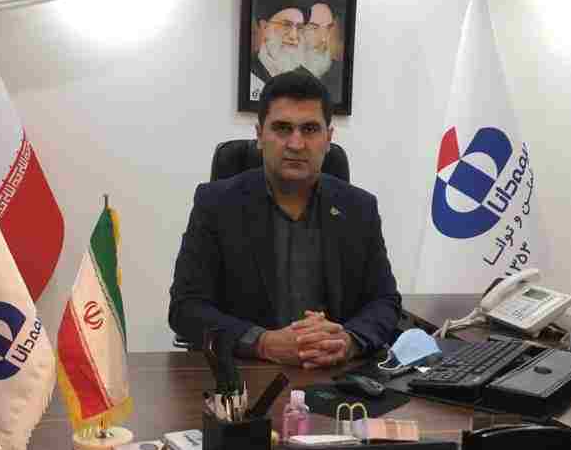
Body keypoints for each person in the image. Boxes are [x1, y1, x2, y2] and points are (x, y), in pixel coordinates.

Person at [169, 71, 400, 367]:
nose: (296, 143)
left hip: (335, 376)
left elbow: (385, 301)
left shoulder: (359, 208)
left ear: (328, 138)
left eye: (310, 129)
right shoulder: (216, 204)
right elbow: (186, 308)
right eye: (282, 128)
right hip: (248, 375)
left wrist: (348, 341)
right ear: (259, 135)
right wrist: (263, 343)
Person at [250, 0, 306, 102]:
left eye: (299, 27)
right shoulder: (249, 74)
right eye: (286, 25)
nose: (293, 35)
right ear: (264, 27)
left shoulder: (307, 80)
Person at [299, 0, 344, 102]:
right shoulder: (274, 71)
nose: (323, 38)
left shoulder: (340, 74)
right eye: (314, 28)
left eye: (328, 28)